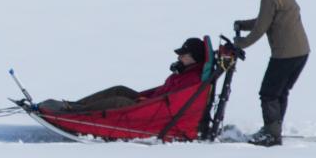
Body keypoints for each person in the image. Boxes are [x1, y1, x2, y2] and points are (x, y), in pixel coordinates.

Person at [234, 0, 309, 147]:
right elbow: (267, 20)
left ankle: (271, 135)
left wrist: (240, 43)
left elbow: (261, 28)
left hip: (285, 54)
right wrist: (243, 25)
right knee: (280, 92)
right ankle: (273, 129)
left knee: (268, 93)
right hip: (300, 52)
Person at [37, 38, 207, 114]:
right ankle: (76, 106)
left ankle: (76, 112)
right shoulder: (184, 72)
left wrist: (144, 102)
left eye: (184, 55)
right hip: (151, 102)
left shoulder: (191, 79)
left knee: (119, 102)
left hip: (156, 109)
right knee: (120, 89)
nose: (179, 57)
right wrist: (142, 96)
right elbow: (162, 90)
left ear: (194, 58)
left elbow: (171, 101)